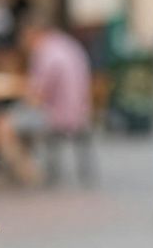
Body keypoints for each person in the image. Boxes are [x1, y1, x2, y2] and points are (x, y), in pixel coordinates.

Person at [15, 14, 96, 185]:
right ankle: (32, 171)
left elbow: (36, 96)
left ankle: (30, 175)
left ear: (32, 33)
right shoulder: (69, 45)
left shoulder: (45, 53)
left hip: (57, 117)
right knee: (13, 120)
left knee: (1, 126)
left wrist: (20, 92)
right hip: (81, 113)